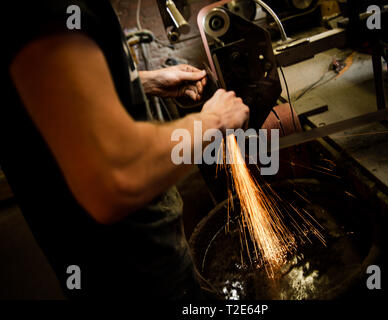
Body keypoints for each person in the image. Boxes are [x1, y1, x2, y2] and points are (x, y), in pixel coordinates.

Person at [1, 1, 249, 299]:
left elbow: (56, 100)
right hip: (130, 275)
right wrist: (214, 120)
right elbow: (117, 175)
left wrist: (146, 82)